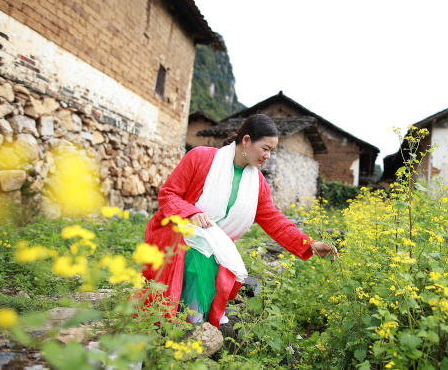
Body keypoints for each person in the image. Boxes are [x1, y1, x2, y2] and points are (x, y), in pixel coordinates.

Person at [142, 114, 336, 328]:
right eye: (265, 148)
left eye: (272, 151)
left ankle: (196, 323)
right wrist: (190, 212)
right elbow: (168, 194)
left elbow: (274, 221)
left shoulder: (258, 183)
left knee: (209, 253)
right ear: (246, 141)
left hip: (217, 243)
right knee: (200, 252)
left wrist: (309, 244)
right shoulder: (200, 157)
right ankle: (194, 325)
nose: (268, 156)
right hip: (177, 232)